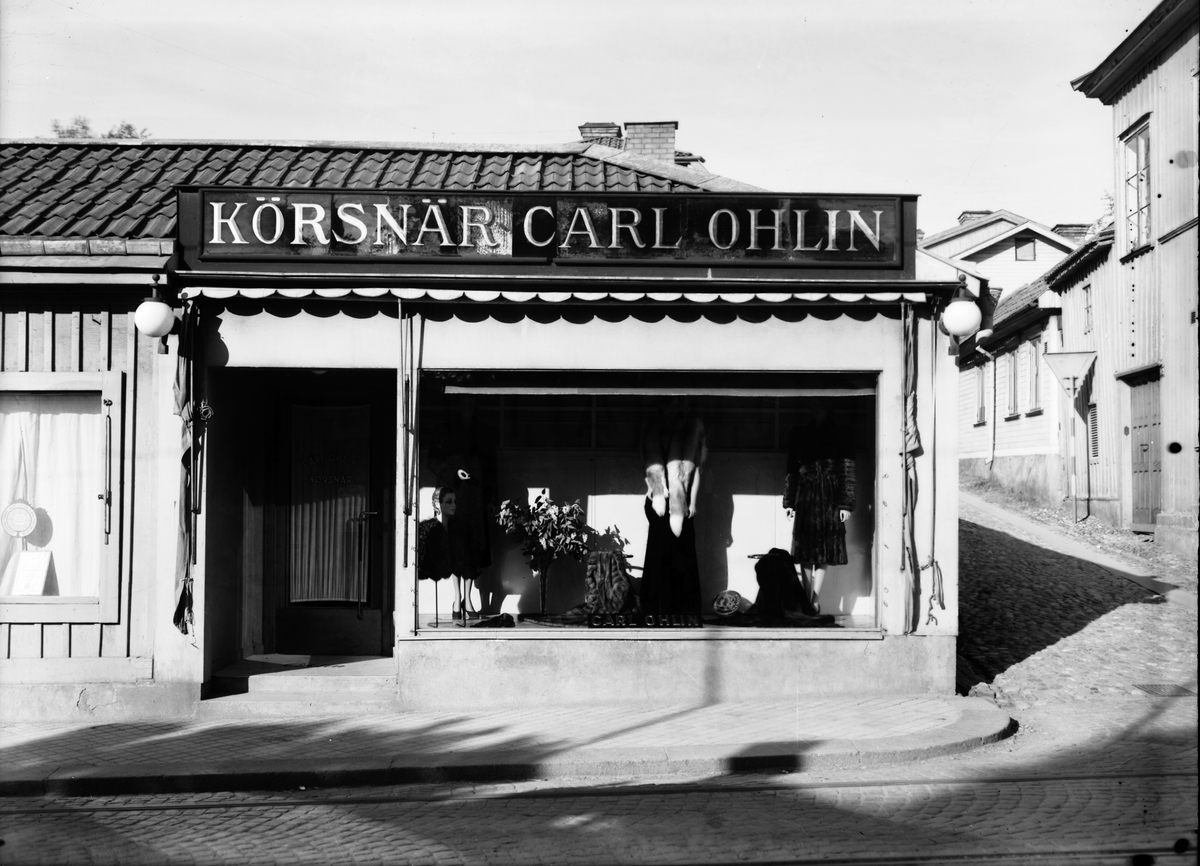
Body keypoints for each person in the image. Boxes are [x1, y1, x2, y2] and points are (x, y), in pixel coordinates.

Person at [783, 403, 856, 615]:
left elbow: (847, 468)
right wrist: (789, 501)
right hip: (805, 495)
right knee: (805, 550)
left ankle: (814, 600)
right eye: (813, 406)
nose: (816, 410)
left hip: (829, 496)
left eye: (821, 406)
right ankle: (806, 599)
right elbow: (791, 468)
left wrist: (845, 503)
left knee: (825, 550)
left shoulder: (841, 434)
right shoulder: (800, 433)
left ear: (829, 409)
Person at [418, 486, 479, 623]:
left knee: (465, 553)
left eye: (455, 502)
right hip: (439, 563)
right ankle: (458, 598)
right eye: (449, 502)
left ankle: (466, 600)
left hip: (457, 552)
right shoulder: (427, 528)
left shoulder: (459, 527)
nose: (454, 505)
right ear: (437, 504)